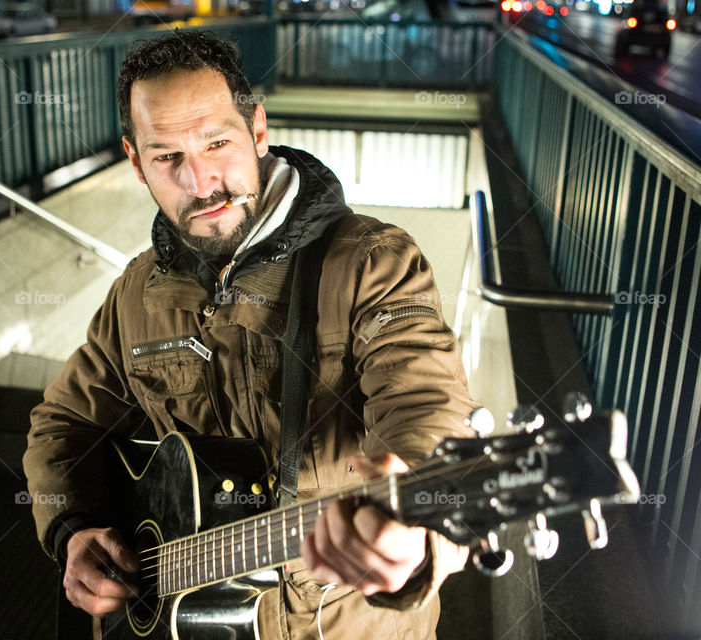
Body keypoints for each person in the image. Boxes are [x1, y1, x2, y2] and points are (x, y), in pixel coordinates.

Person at [24, 29, 479, 640]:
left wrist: (419, 527)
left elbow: (428, 405)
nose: (200, 181)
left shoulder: (372, 261)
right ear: (135, 161)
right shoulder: (135, 292)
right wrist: (73, 528)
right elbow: (62, 424)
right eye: (167, 157)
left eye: (217, 143)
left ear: (257, 130)